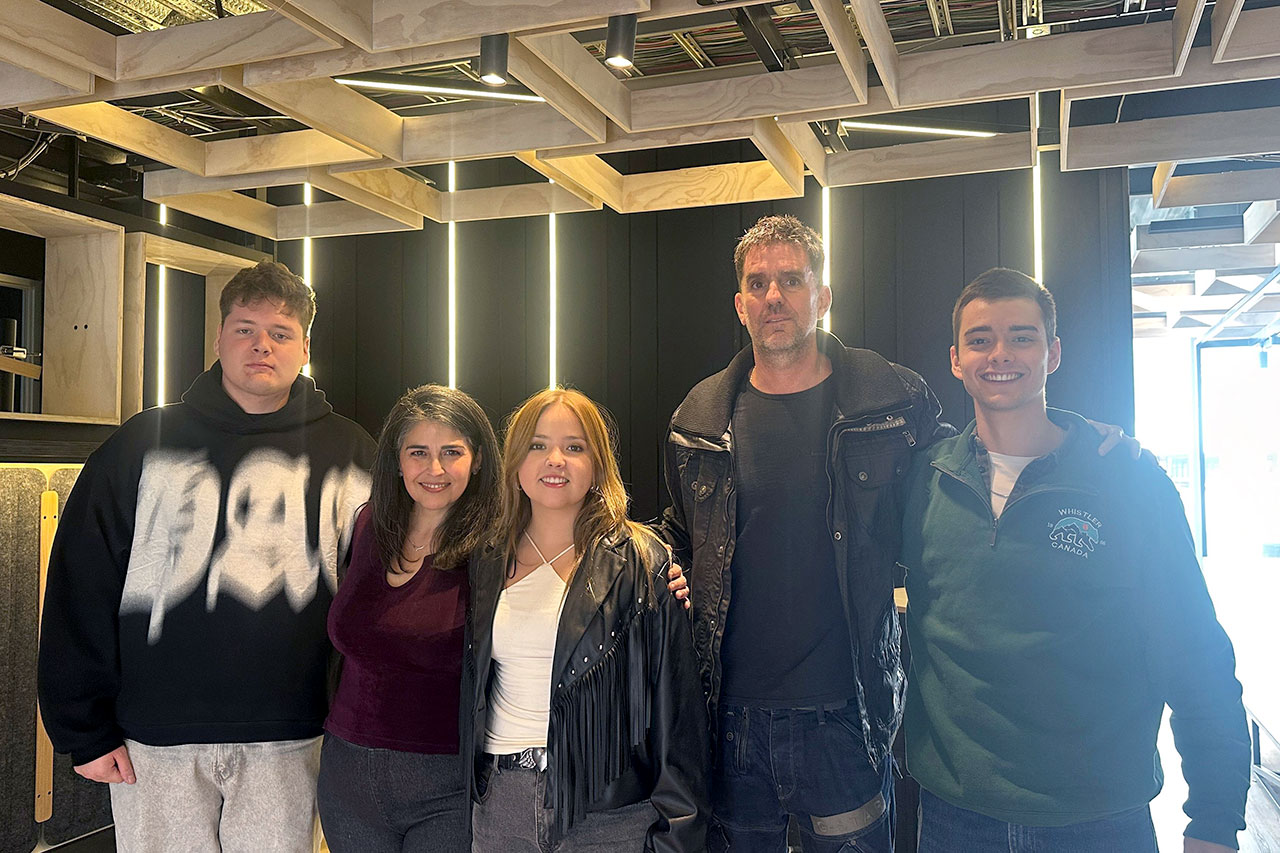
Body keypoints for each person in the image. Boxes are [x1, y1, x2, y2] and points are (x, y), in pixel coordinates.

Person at [657, 215, 1135, 852]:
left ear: (822, 296)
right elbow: (680, 528)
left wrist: (1073, 437)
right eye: (758, 283)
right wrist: (665, 562)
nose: (774, 296)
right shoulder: (698, 418)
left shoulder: (889, 401)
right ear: (740, 304)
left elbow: (974, 460)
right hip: (728, 722)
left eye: (792, 280)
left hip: (846, 715)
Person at [901, 268, 1251, 852]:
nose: (1000, 354)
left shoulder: (1129, 480)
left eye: (1022, 337)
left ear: (1054, 353)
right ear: (956, 360)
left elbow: (1194, 651)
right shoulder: (923, 481)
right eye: (980, 340)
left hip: (1100, 818)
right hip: (954, 819)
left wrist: (1214, 822)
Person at [38, 261, 375, 853]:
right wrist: (82, 729)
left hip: (294, 735)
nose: (262, 345)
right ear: (219, 338)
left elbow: (378, 597)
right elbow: (80, 587)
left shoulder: (353, 452)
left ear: (305, 349)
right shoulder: (141, 444)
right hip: (155, 739)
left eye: (280, 332)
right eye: (245, 329)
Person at [469, 387, 708, 852]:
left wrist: (679, 835)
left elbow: (678, 717)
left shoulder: (642, 561)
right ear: (515, 462)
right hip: (500, 804)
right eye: (537, 445)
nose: (555, 459)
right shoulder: (485, 557)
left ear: (597, 465)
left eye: (574, 447)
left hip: (605, 812)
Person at [317, 384, 500, 852]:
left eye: (451, 452)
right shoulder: (368, 525)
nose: (434, 469)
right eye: (418, 452)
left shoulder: (499, 546)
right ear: (397, 461)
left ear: (478, 459)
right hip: (346, 774)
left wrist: (660, 573)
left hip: (445, 783)